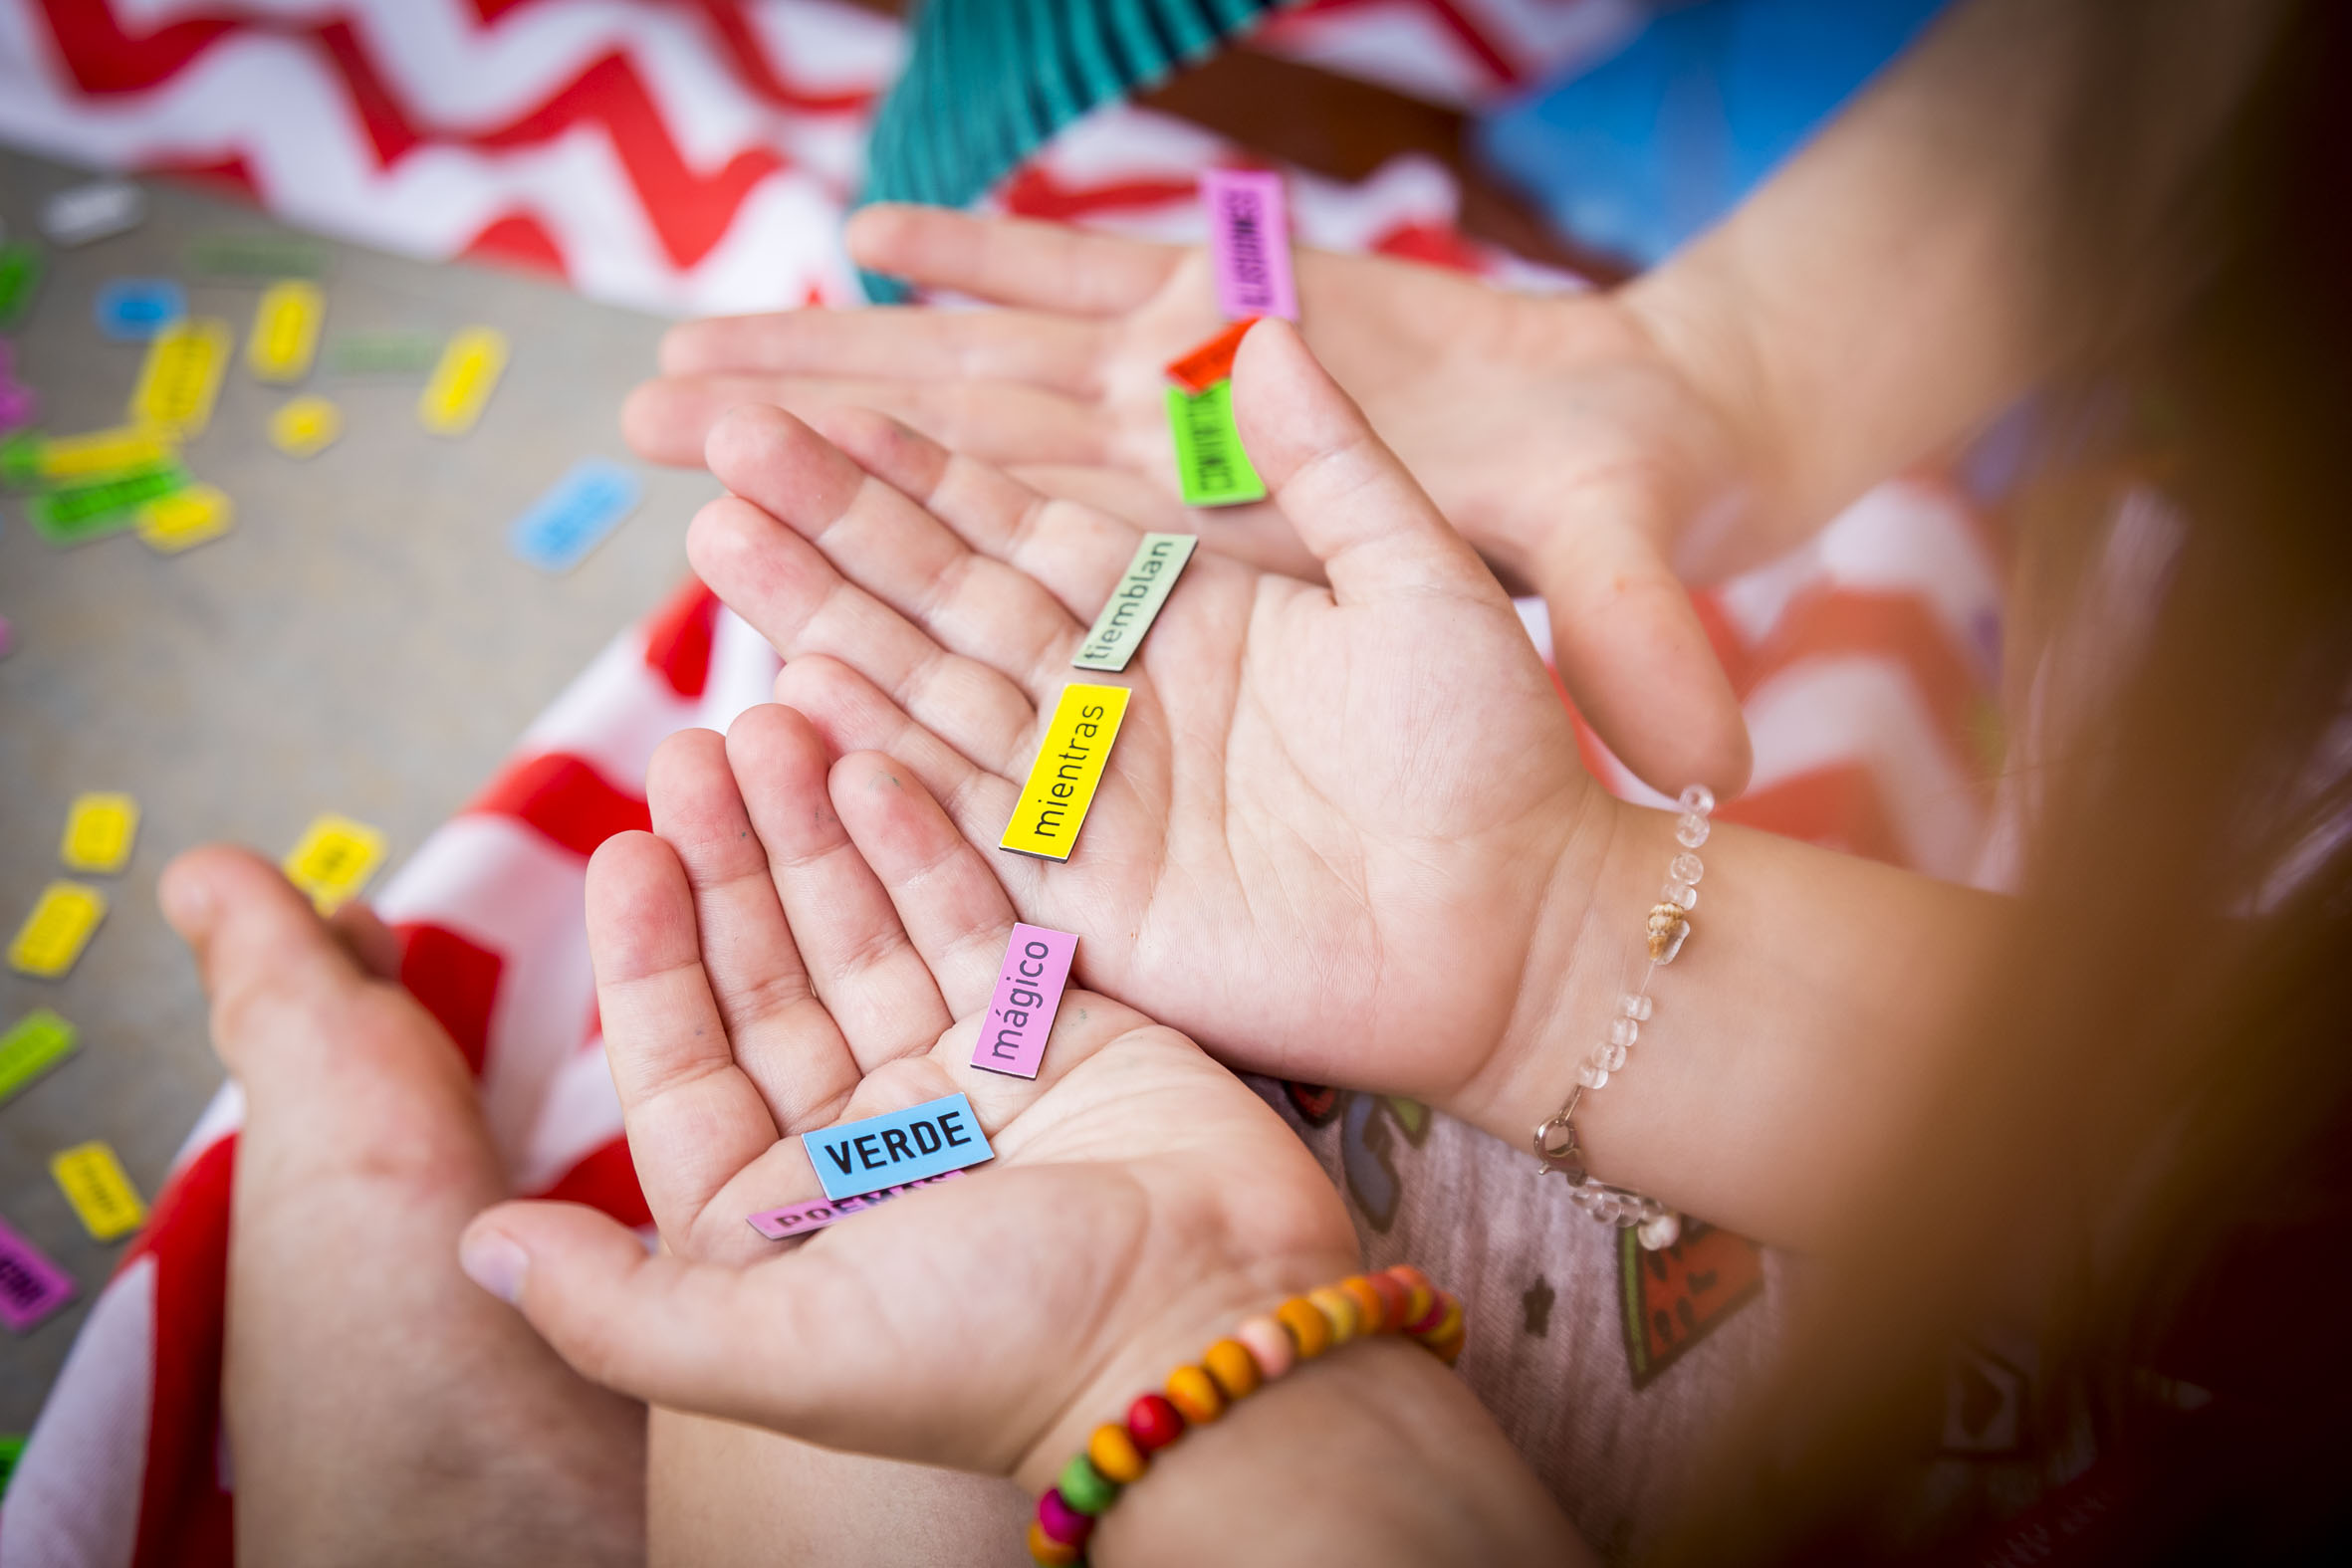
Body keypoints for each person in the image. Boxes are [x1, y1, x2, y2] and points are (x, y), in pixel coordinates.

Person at [150, 0, 2352, 1559]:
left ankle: (475, 1496)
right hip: (1874, 1249)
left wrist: (1172, 1356)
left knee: (896, 1215)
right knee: (1026, 1062)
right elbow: (2221, 1134)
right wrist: (1563, 916)